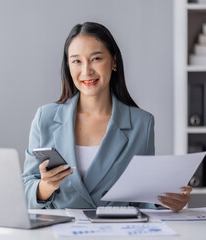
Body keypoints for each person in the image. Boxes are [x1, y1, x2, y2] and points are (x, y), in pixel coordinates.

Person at [22, 22, 191, 210]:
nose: (86, 71)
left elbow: (142, 197)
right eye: (76, 61)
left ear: (114, 62)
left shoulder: (141, 124)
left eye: (96, 59)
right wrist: (45, 187)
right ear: (68, 66)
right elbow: (26, 189)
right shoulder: (44, 118)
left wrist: (167, 201)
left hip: (117, 230)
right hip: (58, 230)